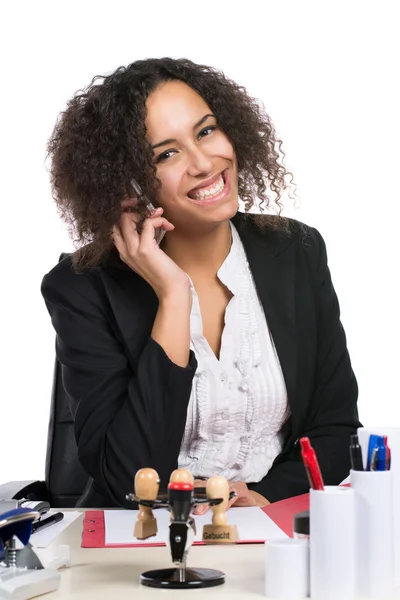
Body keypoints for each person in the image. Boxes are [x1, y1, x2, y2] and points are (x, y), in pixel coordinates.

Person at [42, 57, 360, 509]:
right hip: (142, 545)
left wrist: (266, 496)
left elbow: (335, 430)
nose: (203, 162)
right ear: (127, 182)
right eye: (166, 154)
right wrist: (173, 297)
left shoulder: (296, 252)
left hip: (269, 532)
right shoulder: (82, 289)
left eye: (206, 131)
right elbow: (127, 477)